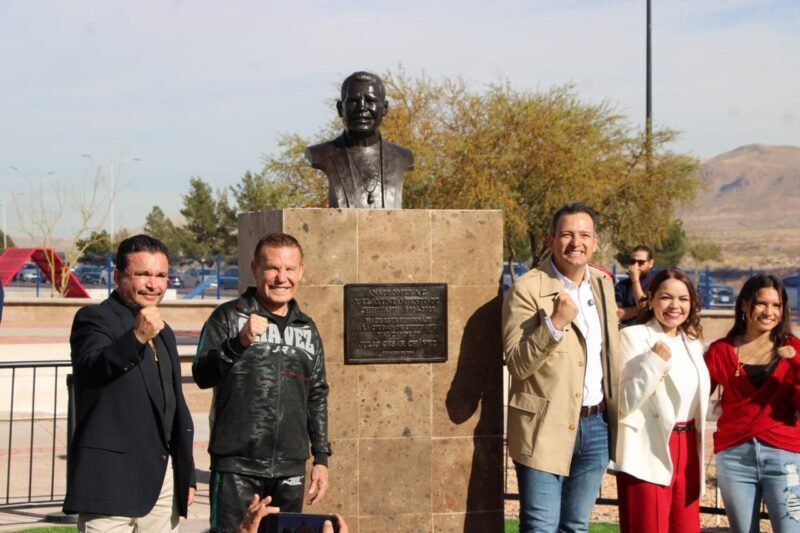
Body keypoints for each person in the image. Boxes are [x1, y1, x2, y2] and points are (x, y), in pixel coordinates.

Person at [193, 232, 331, 531]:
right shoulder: (228, 317)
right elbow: (201, 375)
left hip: (290, 468)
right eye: (272, 268)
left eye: (290, 269)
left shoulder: (307, 328)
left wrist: (321, 458)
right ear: (255, 270)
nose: (282, 277)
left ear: (301, 271)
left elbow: (317, 395)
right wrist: (238, 342)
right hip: (236, 467)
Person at [64, 234, 196, 531]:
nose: (153, 284)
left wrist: (185, 473)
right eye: (143, 274)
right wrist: (136, 338)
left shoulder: (165, 332)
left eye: (161, 275)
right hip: (108, 485)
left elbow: (174, 405)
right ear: (118, 276)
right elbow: (92, 369)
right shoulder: (94, 319)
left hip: (162, 486)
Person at [502, 202, 621, 533]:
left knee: (575, 526)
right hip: (544, 425)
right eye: (566, 234)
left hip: (596, 426)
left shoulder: (603, 284)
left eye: (584, 235)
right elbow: (518, 363)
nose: (575, 242)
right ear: (551, 239)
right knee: (540, 526)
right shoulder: (527, 289)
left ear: (595, 242)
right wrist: (554, 324)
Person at [613, 268, 710, 532]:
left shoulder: (692, 342)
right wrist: (653, 363)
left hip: (689, 447)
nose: (675, 306)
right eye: (667, 297)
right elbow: (621, 404)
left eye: (683, 299)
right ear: (652, 298)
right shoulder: (632, 337)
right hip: (648, 447)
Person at [704, 274, 800, 533]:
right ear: (745, 305)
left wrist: (797, 366)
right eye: (761, 303)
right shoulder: (720, 351)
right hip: (735, 458)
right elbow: (695, 395)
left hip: (785, 456)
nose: (769, 312)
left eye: (777, 305)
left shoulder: (794, 348)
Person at [305, 71, 413, 209]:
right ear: (340, 108)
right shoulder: (320, 153)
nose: (361, 108)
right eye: (353, 101)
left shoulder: (402, 157)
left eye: (370, 101)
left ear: (385, 108)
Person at [615, 245, 657, 327]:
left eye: (641, 262)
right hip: (627, 328)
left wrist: (635, 280)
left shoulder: (656, 282)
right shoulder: (622, 286)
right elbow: (616, 314)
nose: (636, 266)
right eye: (632, 262)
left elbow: (643, 307)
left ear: (650, 263)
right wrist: (644, 308)